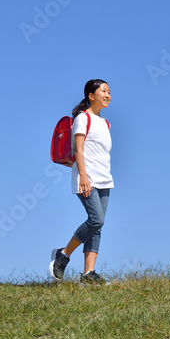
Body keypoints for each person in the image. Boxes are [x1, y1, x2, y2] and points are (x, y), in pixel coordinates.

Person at [49, 79, 114, 284]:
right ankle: (63, 254)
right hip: (87, 178)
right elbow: (79, 149)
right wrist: (84, 176)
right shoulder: (82, 119)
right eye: (103, 91)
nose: (108, 95)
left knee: (97, 226)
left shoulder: (105, 123)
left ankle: (88, 274)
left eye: (109, 92)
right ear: (91, 96)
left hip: (105, 179)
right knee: (96, 220)